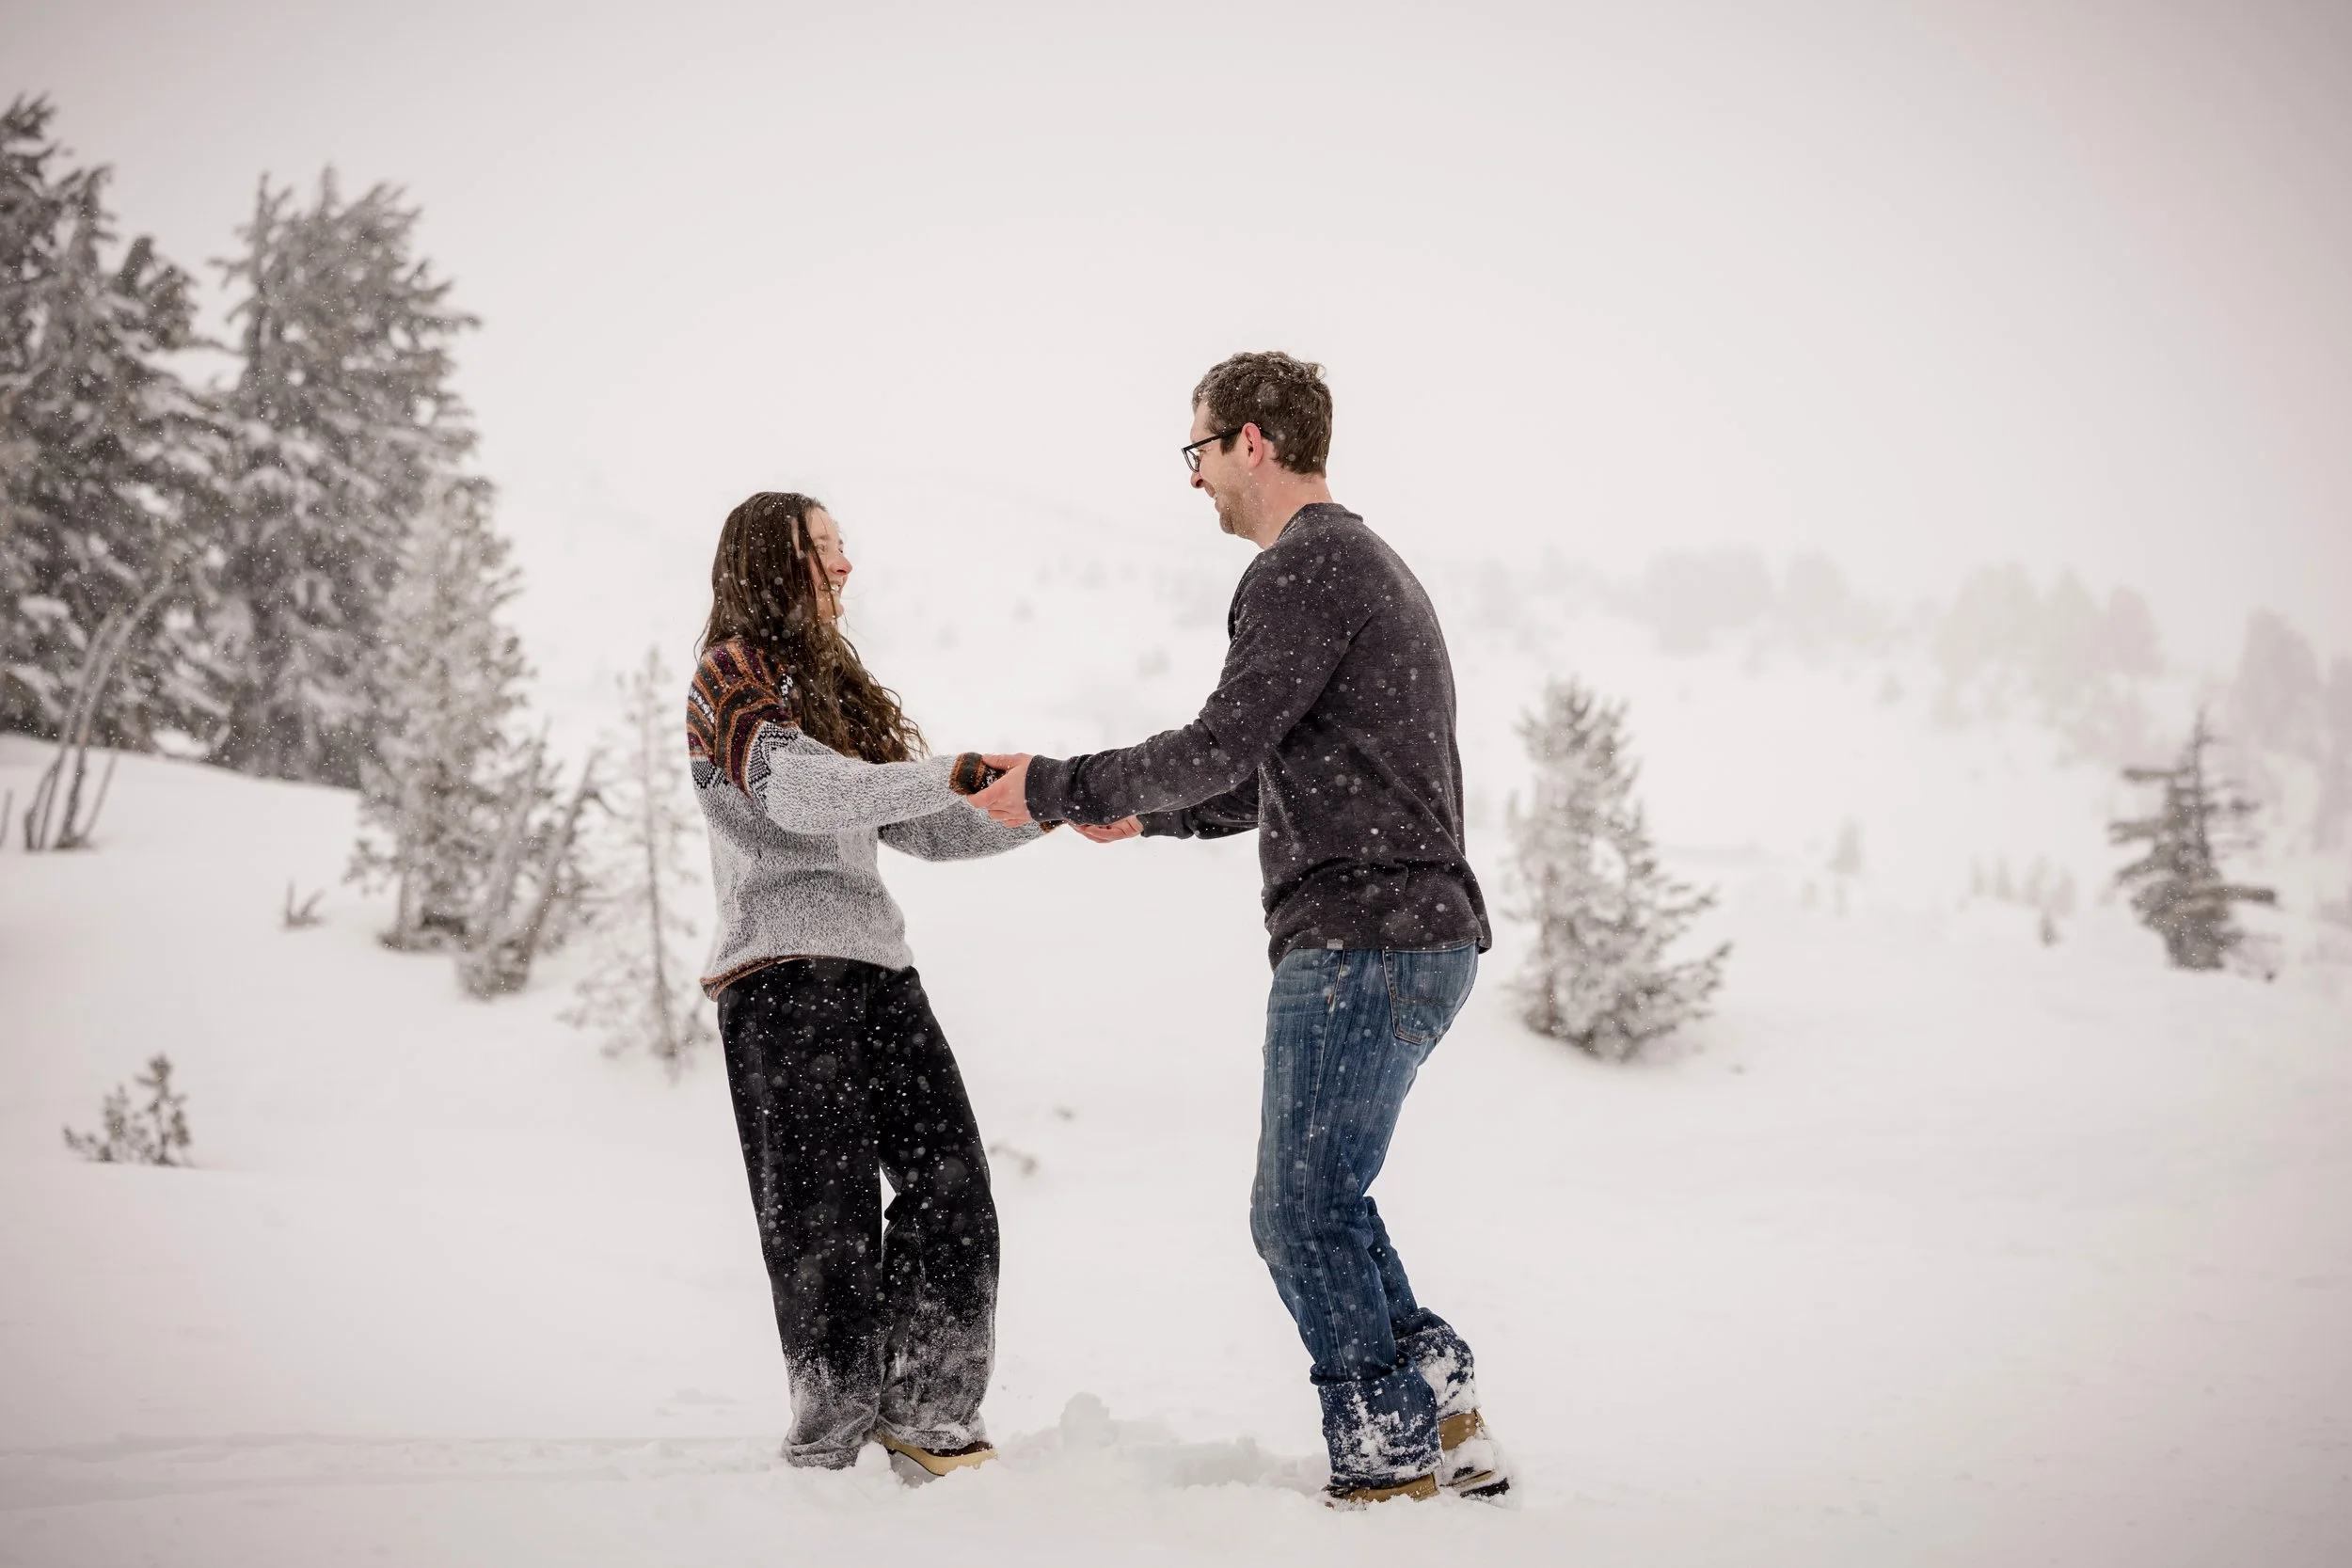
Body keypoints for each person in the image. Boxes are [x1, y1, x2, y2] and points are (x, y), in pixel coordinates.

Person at [968, 352, 1509, 1507]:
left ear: (1251, 442)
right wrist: (1146, 814)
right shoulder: (1362, 562)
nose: (1194, 476)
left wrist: (1059, 782)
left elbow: (1222, 739)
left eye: (1199, 449)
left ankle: (1387, 1463)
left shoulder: (1303, 566)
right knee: (1327, 1198)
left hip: (1363, 935)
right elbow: (1275, 767)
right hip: (1411, 931)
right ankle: (1439, 1400)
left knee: (1297, 1211)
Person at [688, 490, 1047, 1481]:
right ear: (770, 561)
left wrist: (1048, 801)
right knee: (824, 1220)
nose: (844, 565)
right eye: (822, 548)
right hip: (778, 976)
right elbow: (803, 793)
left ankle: (930, 1418)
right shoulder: (729, 679)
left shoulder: (828, 682)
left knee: (953, 1186)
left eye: (841, 547)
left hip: (880, 971)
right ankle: (829, 1450)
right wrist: (945, 770)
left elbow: (920, 824)